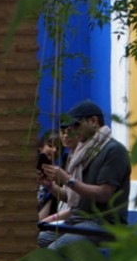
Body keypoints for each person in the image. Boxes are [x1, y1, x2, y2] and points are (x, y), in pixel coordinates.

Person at [36, 99, 130, 252]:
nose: (71, 131)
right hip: (77, 220)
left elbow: (103, 194)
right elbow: (73, 198)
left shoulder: (113, 150)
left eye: (76, 125)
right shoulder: (82, 153)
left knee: (53, 253)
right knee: (31, 242)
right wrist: (50, 185)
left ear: (93, 121)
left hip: (103, 224)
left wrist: (67, 179)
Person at [36, 130, 61, 223]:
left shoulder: (57, 178)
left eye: (58, 148)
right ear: (40, 147)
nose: (54, 150)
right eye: (50, 146)